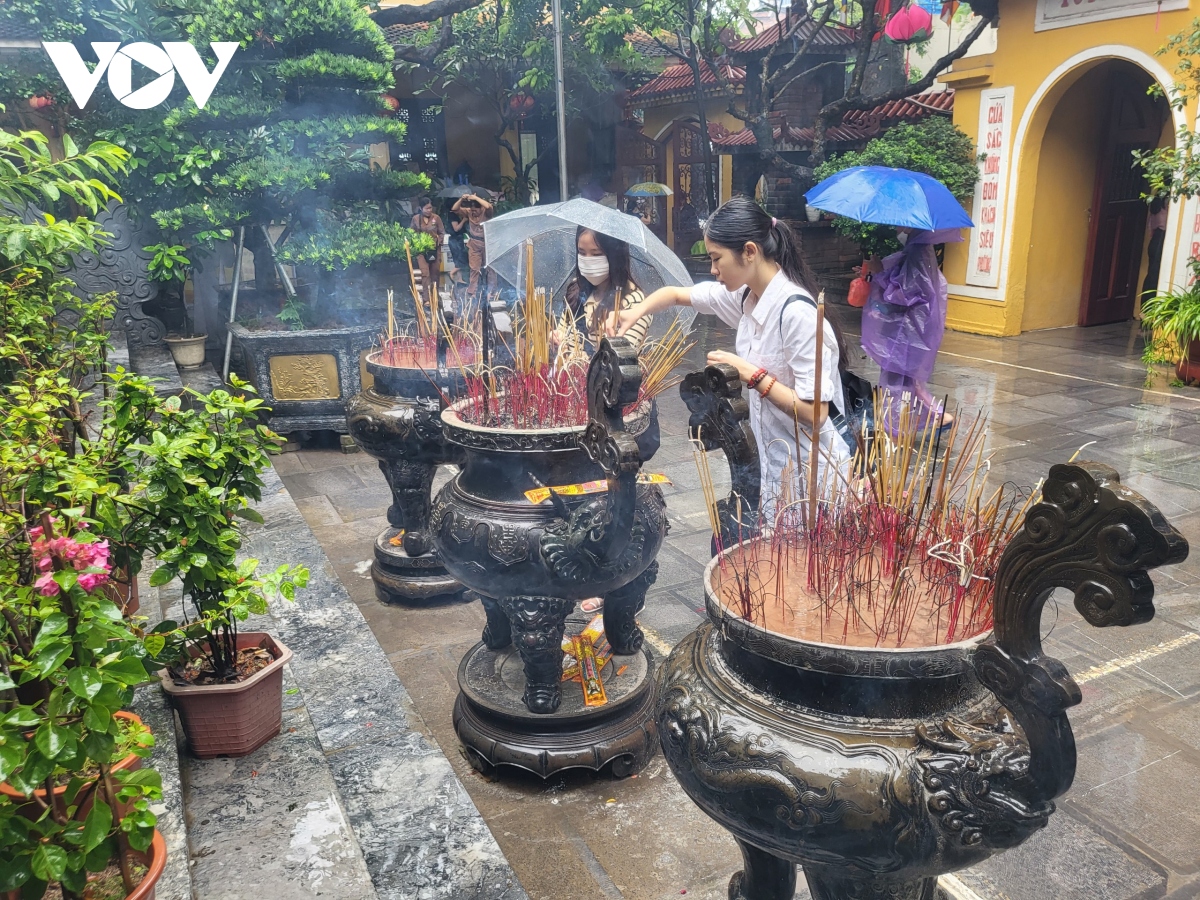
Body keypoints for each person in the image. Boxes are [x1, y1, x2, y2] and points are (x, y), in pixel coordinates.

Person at [610, 196, 851, 522]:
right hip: (773, 467)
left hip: (812, 474)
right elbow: (678, 295)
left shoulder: (798, 316)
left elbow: (815, 412)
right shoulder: (746, 296)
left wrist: (751, 375)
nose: (712, 270)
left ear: (749, 251)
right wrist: (633, 312)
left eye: (716, 259)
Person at [862, 228, 958, 433]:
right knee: (909, 380)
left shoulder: (918, 249)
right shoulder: (917, 246)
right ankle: (936, 417)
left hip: (908, 330)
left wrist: (879, 272)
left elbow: (906, 292)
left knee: (900, 380)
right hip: (910, 328)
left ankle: (897, 430)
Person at [553, 227, 652, 367]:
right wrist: (557, 340)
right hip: (568, 384)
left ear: (615, 256)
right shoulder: (576, 290)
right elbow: (563, 334)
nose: (587, 261)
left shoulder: (634, 302)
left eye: (596, 254)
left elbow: (622, 361)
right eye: (582, 252)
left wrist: (585, 359)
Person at [451, 191, 494, 314]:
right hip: (474, 243)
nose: (473, 212)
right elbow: (455, 209)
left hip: (487, 243)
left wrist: (475, 197)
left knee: (490, 269)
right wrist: (461, 198)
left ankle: (492, 292)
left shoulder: (486, 212)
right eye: (472, 209)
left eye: (476, 210)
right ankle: (472, 293)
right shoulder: (469, 212)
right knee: (474, 269)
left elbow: (488, 206)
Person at [409, 196, 445, 307]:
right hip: (421, 251)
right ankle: (426, 299)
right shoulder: (415, 219)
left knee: (435, 274)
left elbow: (442, 232)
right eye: (427, 208)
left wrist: (438, 241)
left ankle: (435, 296)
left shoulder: (436, 218)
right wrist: (415, 243)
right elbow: (411, 233)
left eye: (430, 208)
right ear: (420, 208)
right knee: (425, 274)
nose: (429, 210)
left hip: (435, 250)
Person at [1142, 197, 1168, 302]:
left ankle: (1145, 307)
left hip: (1155, 239)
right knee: (1157, 274)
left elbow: (1150, 228)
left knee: (1151, 273)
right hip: (1162, 237)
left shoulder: (1155, 202)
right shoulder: (1168, 201)